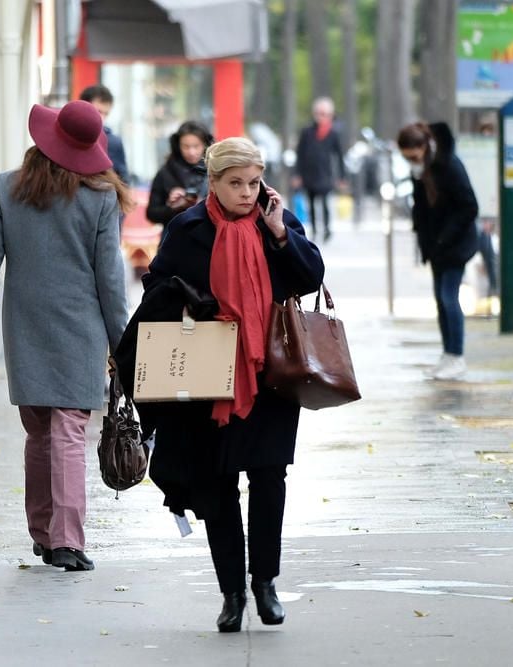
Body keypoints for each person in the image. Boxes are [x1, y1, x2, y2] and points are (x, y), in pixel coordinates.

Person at [116, 137, 324, 633]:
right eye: (236, 184)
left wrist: (280, 237)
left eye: (254, 183)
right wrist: (188, 302)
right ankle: (232, 593)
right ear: (213, 182)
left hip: (268, 372)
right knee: (216, 486)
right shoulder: (188, 230)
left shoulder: (279, 220)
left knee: (270, 476)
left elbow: (311, 276)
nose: (248, 193)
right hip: (208, 373)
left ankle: (266, 584)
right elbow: (158, 289)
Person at [0, 100, 133, 570]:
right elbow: (110, 281)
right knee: (68, 430)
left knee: (40, 432)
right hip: (80, 328)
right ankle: (67, 541)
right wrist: (122, 346)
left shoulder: (7, 189)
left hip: (24, 326)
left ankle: (45, 534)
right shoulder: (101, 199)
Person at [397, 122, 480, 381]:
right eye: (406, 157)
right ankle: (448, 354)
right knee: (440, 301)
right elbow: (422, 206)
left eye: (413, 155)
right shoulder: (422, 171)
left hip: (454, 245)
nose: (410, 161)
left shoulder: (450, 167)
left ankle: (457, 355)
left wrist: (445, 237)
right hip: (436, 246)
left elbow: (469, 206)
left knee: (449, 297)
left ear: (424, 147)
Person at [294, 97, 346, 241]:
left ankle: (327, 229)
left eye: (324, 113)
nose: (321, 117)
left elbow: (339, 156)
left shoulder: (334, 133)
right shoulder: (306, 132)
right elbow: (300, 154)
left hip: (325, 174)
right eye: (319, 113)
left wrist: (342, 177)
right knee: (310, 204)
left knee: (325, 204)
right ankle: (315, 230)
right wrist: (297, 174)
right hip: (308, 174)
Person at [146, 120, 213, 225]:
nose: (191, 152)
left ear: (205, 145)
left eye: (196, 146)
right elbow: (151, 214)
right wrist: (172, 207)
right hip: (175, 235)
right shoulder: (165, 172)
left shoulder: (214, 171)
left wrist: (203, 203)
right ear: (178, 145)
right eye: (186, 146)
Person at [79, 84, 131, 185]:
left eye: (106, 113)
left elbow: (124, 181)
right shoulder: (67, 135)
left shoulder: (113, 142)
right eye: (98, 111)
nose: (101, 118)